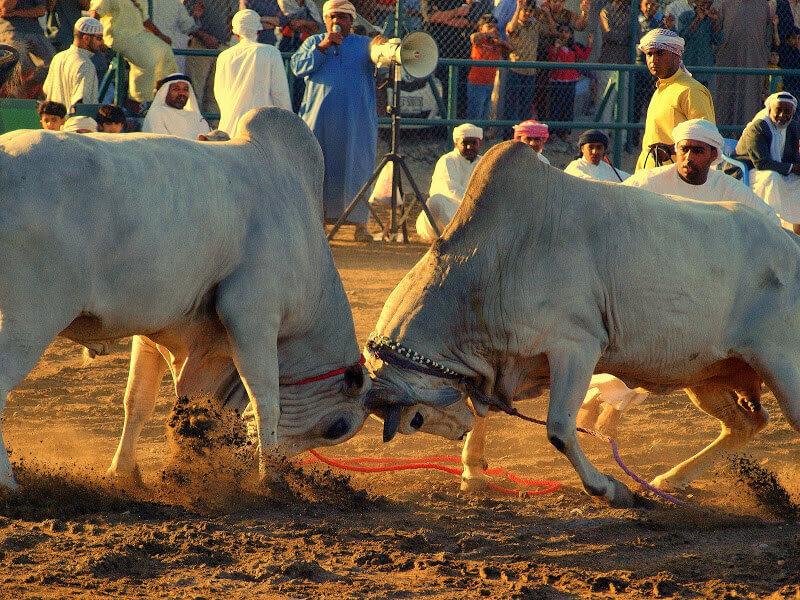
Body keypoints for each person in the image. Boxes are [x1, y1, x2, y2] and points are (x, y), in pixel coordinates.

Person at [290, 0, 386, 243]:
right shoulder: (313, 43)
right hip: (319, 121)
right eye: (333, 16)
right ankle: (318, 224)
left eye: (343, 17)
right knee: (318, 168)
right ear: (325, 19)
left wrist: (381, 47)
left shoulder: (365, 46)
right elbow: (297, 67)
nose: (337, 21)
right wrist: (322, 47)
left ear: (352, 21)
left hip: (356, 122)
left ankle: (360, 226)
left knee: (357, 168)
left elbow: (383, 64)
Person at [626, 118, 779, 223]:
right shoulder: (650, 181)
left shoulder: (728, 188)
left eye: (697, 151)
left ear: (713, 155)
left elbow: (770, 219)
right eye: (683, 149)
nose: (688, 157)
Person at [634, 28, 715, 171]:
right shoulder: (661, 88)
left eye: (660, 53)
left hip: (676, 178)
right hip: (650, 175)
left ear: (676, 56)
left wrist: (671, 150)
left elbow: (706, 138)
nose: (653, 60)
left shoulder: (690, 90)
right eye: (649, 54)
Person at [214, 9, 291, 136]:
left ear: (236, 33)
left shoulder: (224, 56)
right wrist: (287, 124)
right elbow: (280, 93)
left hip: (231, 124)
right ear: (259, 31)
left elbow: (219, 93)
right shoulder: (271, 52)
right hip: (263, 125)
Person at [732, 92, 800, 233]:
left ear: (792, 113)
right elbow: (761, 163)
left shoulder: (793, 127)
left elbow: (794, 157)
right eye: (778, 110)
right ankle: (770, 226)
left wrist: (795, 167)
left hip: (779, 170)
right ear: (770, 110)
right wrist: (793, 168)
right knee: (771, 177)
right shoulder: (758, 127)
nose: (782, 115)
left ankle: (796, 228)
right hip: (746, 170)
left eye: (787, 111)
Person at [89, 0, 178, 106]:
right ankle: (137, 102)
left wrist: (160, 35)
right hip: (118, 36)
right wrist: (98, 38)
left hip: (138, 34)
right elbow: (95, 15)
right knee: (146, 61)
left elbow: (145, 19)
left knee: (165, 51)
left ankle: (161, 95)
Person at [416, 124, 484, 242]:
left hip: (475, 213)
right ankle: (464, 236)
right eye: (465, 143)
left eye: (473, 143)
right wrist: (476, 204)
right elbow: (451, 191)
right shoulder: (447, 160)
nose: (469, 147)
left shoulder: (484, 162)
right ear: (456, 143)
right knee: (436, 200)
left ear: (480, 143)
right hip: (443, 217)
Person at [714, 0, 772, 127]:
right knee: (725, 99)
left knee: (750, 99)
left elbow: (768, 37)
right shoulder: (726, 4)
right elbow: (716, 34)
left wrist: (762, 56)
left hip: (754, 61)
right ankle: (724, 135)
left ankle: (748, 133)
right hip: (728, 60)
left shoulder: (763, 6)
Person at [43, 16, 104, 110]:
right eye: (99, 38)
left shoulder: (58, 58)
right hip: (74, 123)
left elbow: (46, 90)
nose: (102, 43)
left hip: (55, 123)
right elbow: (82, 105)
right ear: (86, 38)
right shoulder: (85, 65)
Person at [504, 0, 550, 124]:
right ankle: (509, 133)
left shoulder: (535, 26)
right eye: (526, 10)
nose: (528, 13)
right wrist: (519, 8)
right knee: (512, 104)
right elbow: (511, 29)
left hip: (530, 72)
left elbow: (552, 30)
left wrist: (547, 14)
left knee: (526, 104)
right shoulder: (515, 24)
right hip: (515, 70)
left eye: (530, 11)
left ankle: (525, 132)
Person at [547, 21, 591, 148]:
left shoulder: (574, 47)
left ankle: (565, 132)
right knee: (555, 107)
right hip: (557, 81)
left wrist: (589, 43)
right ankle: (553, 133)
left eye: (567, 32)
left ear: (571, 35)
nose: (564, 34)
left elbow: (583, 56)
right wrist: (556, 47)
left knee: (567, 106)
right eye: (561, 31)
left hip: (570, 81)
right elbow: (551, 58)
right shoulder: (554, 47)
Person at [0, 0, 56, 96]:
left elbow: (41, 11)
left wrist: (16, 13)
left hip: (34, 31)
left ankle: (23, 88)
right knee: (18, 63)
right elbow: (6, 8)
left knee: (54, 62)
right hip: (11, 29)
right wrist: (27, 12)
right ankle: (11, 95)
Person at [467, 14, 511, 121]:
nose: (493, 30)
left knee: (485, 114)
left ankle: (482, 136)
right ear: (481, 28)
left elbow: (511, 49)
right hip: (477, 82)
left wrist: (501, 42)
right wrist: (487, 33)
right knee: (476, 114)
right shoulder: (480, 40)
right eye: (489, 26)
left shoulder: (496, 42)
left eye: (495, 27)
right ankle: (472, 136)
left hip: (489, 83)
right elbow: (473, 38)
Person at [141, 72, 211, 138]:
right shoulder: (157, 113)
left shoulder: (196, 117)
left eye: (185, 89)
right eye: (176, 89)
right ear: (165, 92)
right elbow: (161, 144)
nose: (182, 93)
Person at [677, 0, 722, 90]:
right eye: (703, 3)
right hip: (688, 65)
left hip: (705, 67)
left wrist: (715, 21)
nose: (706, 6)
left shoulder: (711, 19)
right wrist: (697, 19)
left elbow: (718, 40)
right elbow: (682, 39)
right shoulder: (685, 16)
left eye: (709, 3)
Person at [151, 0, 201, 73]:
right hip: (172, 51)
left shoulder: (140, 2)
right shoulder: (174, 3)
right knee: (172, 79)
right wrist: (195, 17)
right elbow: (186, 26)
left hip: (148, 50)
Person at [564, 129, 630, 182]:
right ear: (582, 149)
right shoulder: (574, 166)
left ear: (604, 150)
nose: (595, 152)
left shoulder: (607, 169)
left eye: (599, 147)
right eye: (590, 147)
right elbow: (586, 182)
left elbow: (629, 180)